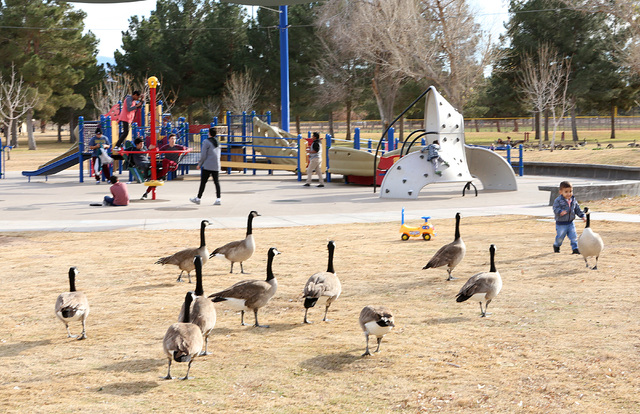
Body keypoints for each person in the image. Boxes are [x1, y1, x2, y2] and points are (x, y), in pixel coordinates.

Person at [141, 134, 188, 200]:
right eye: (172, 139)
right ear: (169, 140)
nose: (173, 140)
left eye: (174, 139)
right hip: (166, 166)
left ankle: (163, 176)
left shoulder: (178, 147)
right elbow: (158, 152)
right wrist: (152, 149)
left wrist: (185, 151)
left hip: (173, 165)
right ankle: (146, 193)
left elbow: (187, 148)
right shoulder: (166, 147)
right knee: (155, 177)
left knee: (165, 160)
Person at [552, 181, 586, 254]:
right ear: (561, 192)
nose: (569, 194)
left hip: (570, 223)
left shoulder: (573, 200)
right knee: (560, 237)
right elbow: (555, 208)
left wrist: (582, 216)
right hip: (561, 224)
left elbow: (577, 209)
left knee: (574, 236)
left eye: (570, 191)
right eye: (566, 192)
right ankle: (556, 245)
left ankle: (575, 249)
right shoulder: (558, 200)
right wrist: (560, 211)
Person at [190, 127, 221, 205]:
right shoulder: (218, 142)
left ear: (209, 133)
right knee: (216, 182)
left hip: (207, 165)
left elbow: (203, 155)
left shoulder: (206, 142)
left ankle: (198, 198)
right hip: (216, 165)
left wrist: (199, 164)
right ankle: (218, 199)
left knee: (203, 182)